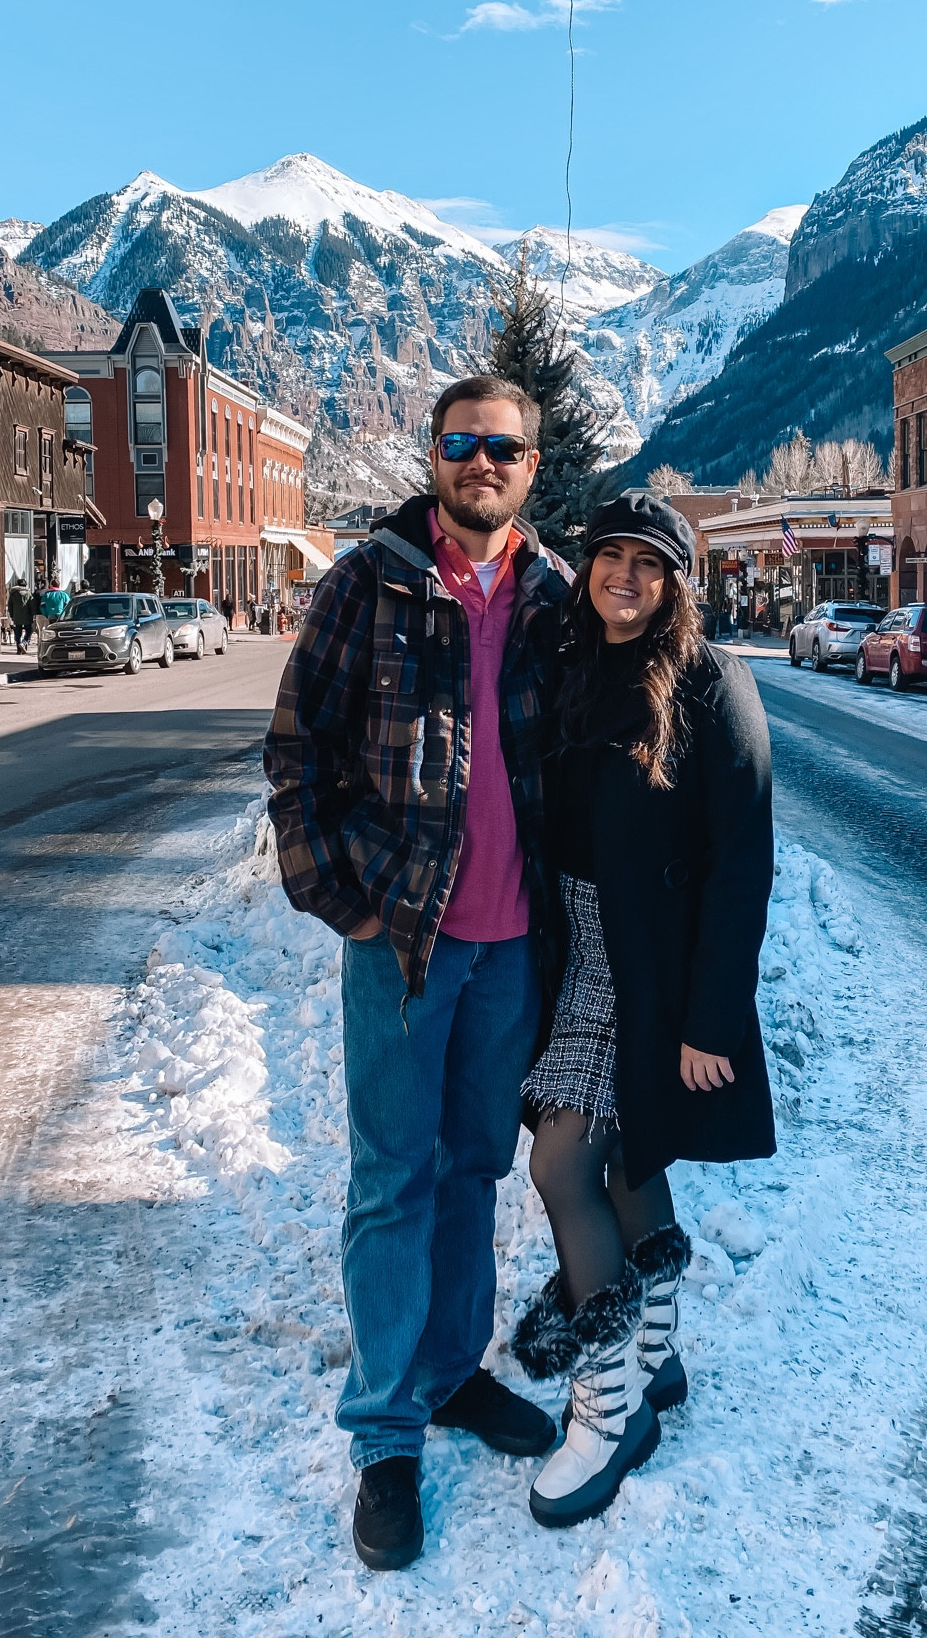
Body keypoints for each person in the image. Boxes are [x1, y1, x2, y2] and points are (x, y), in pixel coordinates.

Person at [264, 376, 574, 1571]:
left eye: (503, 446)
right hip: (401, 946)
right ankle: (387, 1428)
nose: (482, 461)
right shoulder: (371, 580)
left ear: (531, 466)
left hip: (508, 948)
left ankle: (451, 1372)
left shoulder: (551, 596)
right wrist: (336, 890)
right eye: (463, 442)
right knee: (392, 1178)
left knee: (471, 1169)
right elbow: (295, 748)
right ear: (434, 455)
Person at [512, 493, 775, 1528]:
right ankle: (654, 1357)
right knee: (622, 1162)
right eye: (608, 556)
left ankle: (607, 1407)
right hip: (575, 949)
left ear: (675, 579)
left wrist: (712, 1017)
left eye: (648, 562)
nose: (624, 575)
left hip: (653, 966)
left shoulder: (715, 684)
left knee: (564, 1163)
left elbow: (741, 861)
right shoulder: (576, 666)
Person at [7, 578, 33, 653]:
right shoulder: (28, 593)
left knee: (17, 632)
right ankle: (24, 643)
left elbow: (10, 606)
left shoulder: (13, 594)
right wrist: (33, 615)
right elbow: (32, 605)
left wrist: (12, 615)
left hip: (16, 616)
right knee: (29, 631)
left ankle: (18, 649)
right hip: (27, 616)